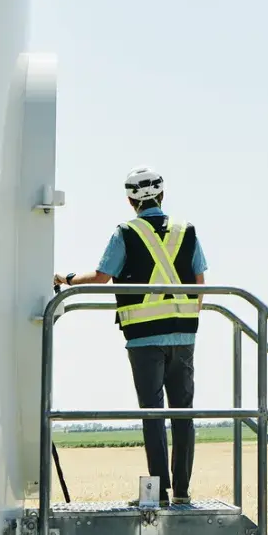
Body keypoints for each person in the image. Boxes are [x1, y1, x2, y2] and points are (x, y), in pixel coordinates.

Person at [55, 166, 206, 506]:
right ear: (162, 195)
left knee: (152, 414)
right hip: (184, 336)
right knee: (183, 412)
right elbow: (201, 285)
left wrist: (65, 278)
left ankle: (160, 494)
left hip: (143, 338)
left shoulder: (126, 232)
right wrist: (187, 321)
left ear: (129, 200)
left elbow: (100, 277)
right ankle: (182, 492)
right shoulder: (188, 231)